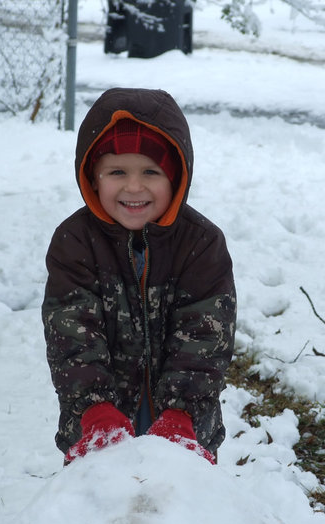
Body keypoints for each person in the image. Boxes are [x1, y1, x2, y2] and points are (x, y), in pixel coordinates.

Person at [42, 87, 236, 465]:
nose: (134, 187)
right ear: (93, 176)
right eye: (117, 172)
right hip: (97, 426)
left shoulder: (201, 244)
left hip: (185, 428)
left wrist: (182, 412)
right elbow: (71, 335)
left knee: (178, 515)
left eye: (151, 171)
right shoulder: (75, 242)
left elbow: (206, 336)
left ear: (176, 177)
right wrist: (93, 409)